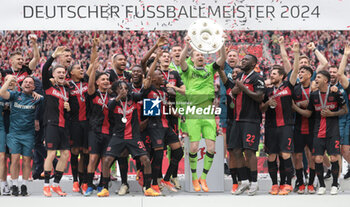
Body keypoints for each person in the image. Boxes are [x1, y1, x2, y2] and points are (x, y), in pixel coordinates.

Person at [97, 80, 160, 197]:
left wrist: (147, 84)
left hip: (134, 137)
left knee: (146, 160)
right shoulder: (113, 102)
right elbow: (109, 107)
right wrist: (118, 97)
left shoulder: (133, 99)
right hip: (118, 137)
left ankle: (148, 187)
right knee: (106, 161)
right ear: (115, 90)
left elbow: (142, 94)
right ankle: (105, 188)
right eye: (120, 89)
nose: (124, 91)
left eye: (126, 88)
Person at [179, 35, 226, 192]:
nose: (200, 56)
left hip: (208, 112)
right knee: (193, 148)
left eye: (202, 54)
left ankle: (203, 178)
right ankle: (194, 177)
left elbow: (222, 58)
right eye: (197, 54)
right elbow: (181, 61)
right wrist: (187, 45)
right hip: (193, 111)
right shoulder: (188, 70)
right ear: (192, 58)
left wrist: (222, 43)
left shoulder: (211, 68)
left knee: (211, 148)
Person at [292, 70, 347, 195]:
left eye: (319, 77)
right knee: (317, 158)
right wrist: (295, 107)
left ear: (326, 80)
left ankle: (334, 184)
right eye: (316, 77)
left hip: (333, 131)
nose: (316, 79)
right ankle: (321, 185)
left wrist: (332, 114)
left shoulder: (335, 93)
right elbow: (309, 113)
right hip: (317, 131)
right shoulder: (314, 95)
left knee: (333, 157)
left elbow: (345, 110)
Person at [220, 53, 265, 195]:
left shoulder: (257, 78)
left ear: (253, 64)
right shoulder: (240, 77)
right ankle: (244, 181)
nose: (243, 60)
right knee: (236, 150)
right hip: (237, 120)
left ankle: (254, 183)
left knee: (250, 151)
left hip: (250, 120)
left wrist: (243, 88)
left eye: (246, 59)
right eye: (243, 58)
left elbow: (259, 97)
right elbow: (233, 92)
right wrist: (236, 89)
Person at [261, 42, 300, 196]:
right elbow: (261, 109)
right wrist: (266, 104)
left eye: (275, 73)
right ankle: (275, 184)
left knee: (285, 154)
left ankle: (287, 183)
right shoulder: (267, 90)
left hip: (285, 126)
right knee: (271, 156)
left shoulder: (288, 86)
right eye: (271, 73)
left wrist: (295, 53)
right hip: (270, 127)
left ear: (282, 76)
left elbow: (295, 69)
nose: (271, 75)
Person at [142, 50, 184, 194]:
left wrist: (179, 115)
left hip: (166, 126)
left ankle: (166, 179)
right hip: (155, 126)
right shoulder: (148, 89)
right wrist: (156, 60)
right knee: (158, 156)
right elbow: (148, 72)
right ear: (152, 78)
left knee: (178, 152)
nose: (163, 77)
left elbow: (169, 107)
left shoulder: (164, 91)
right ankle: (154, 184)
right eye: (159, 75)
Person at [0, 75, 42, 196]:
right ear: (21, 84)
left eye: (30, 83)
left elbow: (47, 99)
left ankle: (24, 186)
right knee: (15, 159)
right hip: (14, 134)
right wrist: (8, 81)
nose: (28, 84)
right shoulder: (15, 95)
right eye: (25, 82)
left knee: (27, 160)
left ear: (34, 86)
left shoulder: (38, 98)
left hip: (29, 134)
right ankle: (14, 185)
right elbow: (2, 93)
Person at [42, 47, 71, 197]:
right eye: (58, 72)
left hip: (63, 126)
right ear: (53, 75)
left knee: (66, 154)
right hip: (51, 124)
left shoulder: (66, 90)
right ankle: (46, 185)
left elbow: (68, 109)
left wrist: (68, 107)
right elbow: (44, 68)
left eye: (62, 72)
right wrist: (54, 56)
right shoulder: (48, 87)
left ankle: (56, 185)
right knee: (51, 154)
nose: (61, 74)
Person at [84, 59, 112, 196]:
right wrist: (94, 70)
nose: (106, 81)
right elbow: (89, 86)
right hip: (94, 131)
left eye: (107, 79)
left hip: (109, 132)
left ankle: (103, 184)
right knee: (93, 159)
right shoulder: (93, 94)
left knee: (105, 160)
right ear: (97, 82)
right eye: (103, 79)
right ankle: (89, 185)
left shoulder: (112, 96)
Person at [292, 65, 317, 194]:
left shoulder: (315, 89)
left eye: (303, 72)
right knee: (297, 157)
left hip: (313, 128)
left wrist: (296, 106)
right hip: (298, 128)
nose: (300, 74)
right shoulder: (295, 89)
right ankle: (301, 183)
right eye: (299, 72)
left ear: (309, 75)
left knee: (312, 158)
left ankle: (311, 184)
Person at [67, 62, 90, 193]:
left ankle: (84, 181)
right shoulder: (67, 85)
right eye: (78, 68)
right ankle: (75, 180)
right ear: (71, 73)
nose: (81, 69)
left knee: (85, 152)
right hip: (74, 122)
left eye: (82, 68)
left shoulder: (87, 83)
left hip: (87, 123)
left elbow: (92, 67)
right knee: (75, 151)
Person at [336, 43, 350, 179]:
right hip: (347, 119)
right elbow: (340, 75)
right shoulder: (348, 86)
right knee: (344, 150)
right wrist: (345, 55)